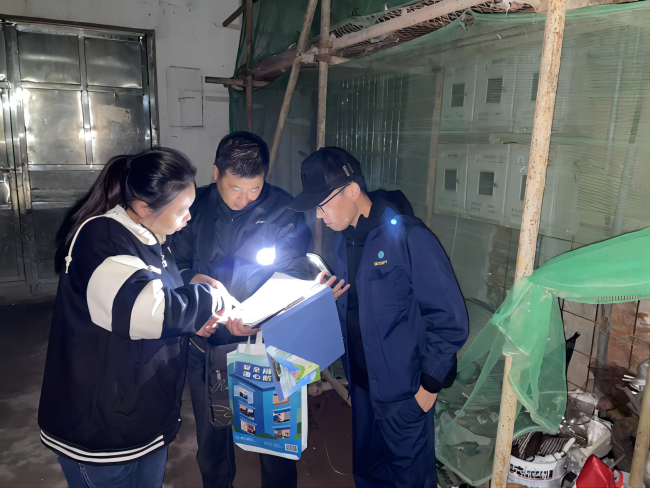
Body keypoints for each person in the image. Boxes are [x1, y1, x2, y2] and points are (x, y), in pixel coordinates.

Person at [39, 148, 250, 488]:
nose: (189, 217)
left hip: (143, 418)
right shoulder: (102, 238)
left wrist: (192, 295)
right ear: (142, 207)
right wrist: (210, 298)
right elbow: (147, 311)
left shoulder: (151, 235)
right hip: (100, 429)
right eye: (181, 210)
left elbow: (160, 295)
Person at [289, 147, 469, 488]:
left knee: (409, 479)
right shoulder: (342, 243)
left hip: (404, 392)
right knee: (368, 473)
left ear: (352, 190)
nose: (319, 216)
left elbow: (449, 319)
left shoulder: (409, 238)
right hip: (361, 387)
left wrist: (429, 386)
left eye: (322, 205)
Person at [172, 132, 342, 488]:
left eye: (254, 189)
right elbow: (175, 264)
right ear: (216, 173)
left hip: (269, 343)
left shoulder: (284, 209)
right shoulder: (193, 208)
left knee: (276, 440)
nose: (243, 198)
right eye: (235, 188)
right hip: (208, 342)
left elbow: (294, 270)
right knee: (213, 438)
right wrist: (193, 284)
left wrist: (262, 316)